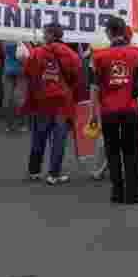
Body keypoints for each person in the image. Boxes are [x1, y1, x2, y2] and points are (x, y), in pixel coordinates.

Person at [91, 18, 138, 204]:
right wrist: (136, 91)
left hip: (108, 110)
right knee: (132, 151)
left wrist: (94, 113)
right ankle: (132, 193)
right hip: (130, 108)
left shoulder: (98, 56)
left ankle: (117, 192)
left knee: (112, 151)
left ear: (109, 32)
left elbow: (94, 87)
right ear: (125, 31)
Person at [23, 23, 82, 185]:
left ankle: (34, 171)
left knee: (38, 136)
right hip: (62, 101)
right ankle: (53, 174)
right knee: (59, 139)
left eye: (44, 33)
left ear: (50, 34)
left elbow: (28, 73)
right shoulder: (71, 54)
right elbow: (77, 76)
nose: (42, 36)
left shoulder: (37, 53)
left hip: (42, 100)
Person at [2, 41, 28, 132]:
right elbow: (28, 53)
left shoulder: (4, 38)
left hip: (9, 70)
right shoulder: (25, 37)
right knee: (19, 98)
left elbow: (3, 51)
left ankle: (9, 125)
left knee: (9, 98)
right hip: (20, 70)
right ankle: (21, 123)